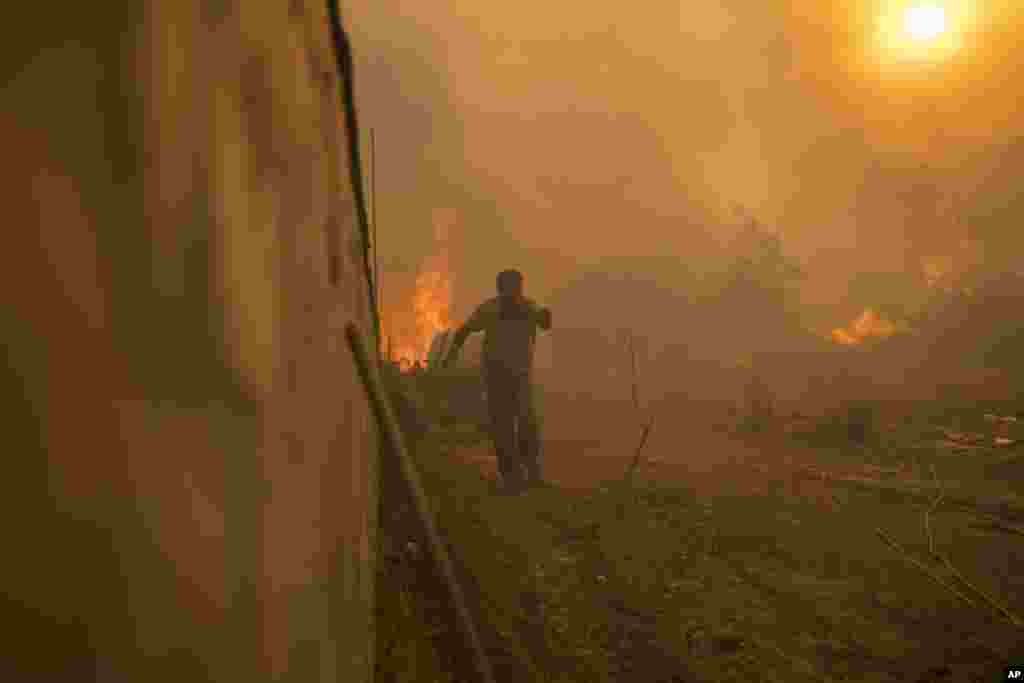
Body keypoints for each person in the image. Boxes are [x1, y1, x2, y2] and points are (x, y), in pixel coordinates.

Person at [442, 269, 552, 493]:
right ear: (501, 289)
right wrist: (451, 354)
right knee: (503, 427)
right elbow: (465, 330)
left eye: (516, 287)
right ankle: (511, 478)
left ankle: (531, 474)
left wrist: (544, 315)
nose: (514, 292)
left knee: (526, 424)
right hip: (497, 378)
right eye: (510, 287)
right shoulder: (491, 309)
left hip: (519, 377)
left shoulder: (527, 307)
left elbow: (544, 321)